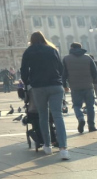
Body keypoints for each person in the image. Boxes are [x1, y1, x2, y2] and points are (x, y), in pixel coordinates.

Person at [20, 31, 69, 160]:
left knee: (43, 116)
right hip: (55, 85)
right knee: (58, 116)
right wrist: (60, 80)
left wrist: (28, 82)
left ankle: (47, 146)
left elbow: (23, 71)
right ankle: (63, 148)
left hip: (38, 87)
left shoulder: (28, 51)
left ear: (31, 40)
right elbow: (61, 67)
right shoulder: (52, 49)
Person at [62, 42, 97, 133]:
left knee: (77, 105)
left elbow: (64, 74)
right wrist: (92, 80)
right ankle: (91, 125)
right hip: (88, 86)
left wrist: (65, 85)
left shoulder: (66, 59)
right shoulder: (88, 57)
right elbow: (95, 72)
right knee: (90, 106)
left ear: (71, 48)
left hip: (75, 86)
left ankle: (81, 118)